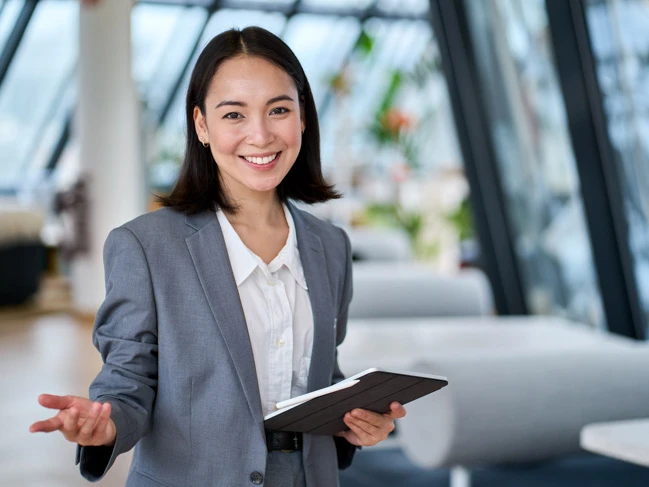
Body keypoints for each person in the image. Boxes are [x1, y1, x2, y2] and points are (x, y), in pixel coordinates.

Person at [29, 26, 406, 487]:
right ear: (202, 126)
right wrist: (104, 426)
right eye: (234, 115)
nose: (261, 135)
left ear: (303, 118)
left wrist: (357, 422)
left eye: (279, 110)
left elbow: (321, 375)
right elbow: (128, 380)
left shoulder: (330, 246)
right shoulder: (145, 247)